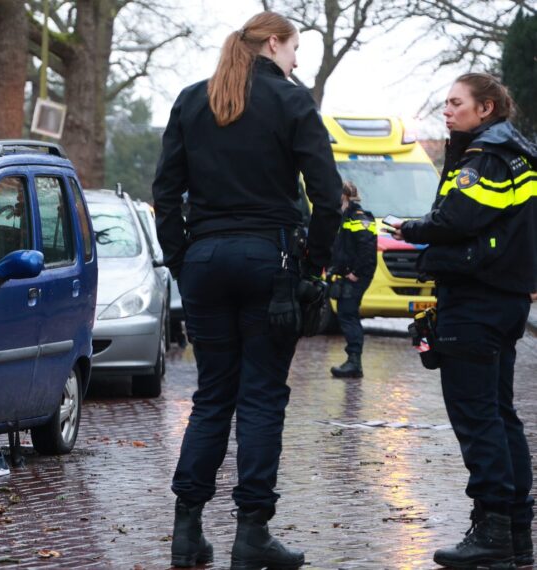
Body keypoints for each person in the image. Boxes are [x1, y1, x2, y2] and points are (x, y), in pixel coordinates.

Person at [151, 11, 341, 569]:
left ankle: (187, 531)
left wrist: (183, 258)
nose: (298, 59)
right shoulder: (292, 102)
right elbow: (327, 196)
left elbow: (166, 192)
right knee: (261, 397)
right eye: (295, 48)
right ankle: (252, 533)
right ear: (274, 43)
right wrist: (314, 264)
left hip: (206, 260)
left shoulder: (191, 100)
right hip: (270, 261)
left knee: (213, 396)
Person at [392, 73, 537, 568]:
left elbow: (456, 220)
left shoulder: (486, 159)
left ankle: (493, 530)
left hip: (475, 301)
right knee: (500, 414)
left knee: (478, 419)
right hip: (504, 298)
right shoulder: (517, 153)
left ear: (487, 107)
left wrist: (408, 228)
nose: (447, 112)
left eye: (456, 104)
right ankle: (517, 531)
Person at [328, 181, 377, 378]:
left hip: (356, 276)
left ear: (345, 196)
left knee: (348, 315)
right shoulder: (345, 216)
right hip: (346, 273)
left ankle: (354, 362)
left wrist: (355, 272)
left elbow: (366, 249)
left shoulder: (359, 217)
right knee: (345, 314)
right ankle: (353, 361)